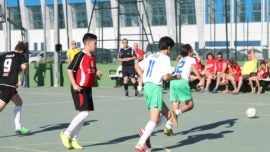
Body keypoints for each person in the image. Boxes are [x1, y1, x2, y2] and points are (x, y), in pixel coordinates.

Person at [134, 36, 179, 152]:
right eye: (171, 49)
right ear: (168, 48)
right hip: (155, 88)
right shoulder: (165, 58)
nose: (171, 51)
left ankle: (146, 131)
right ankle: (140, 145)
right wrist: (175, 77)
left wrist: (142, 77)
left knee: (169, 115)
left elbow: (137, 65)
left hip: (147, 87)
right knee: (154, 119)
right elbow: (165, 77)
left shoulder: (151, 56)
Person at [60, 33, 102, 149]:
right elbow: (69, 70)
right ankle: (67, 133)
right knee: (84, 113)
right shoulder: (80, 55)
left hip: (88, 88)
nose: (96, 45)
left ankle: (73, 139)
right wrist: (74, 84)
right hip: (79, 87)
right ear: (88, 43)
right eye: (95, 43)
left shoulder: (92, 57)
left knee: (85, 114)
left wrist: (97, 72)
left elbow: (91, 69)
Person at [164, 44, 204, 136]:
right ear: (189, 51)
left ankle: (168, 127)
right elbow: (194, 68)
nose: (193, 51)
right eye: (192, 50)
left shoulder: (181, 59)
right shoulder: (191, 59)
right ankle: (174, 114)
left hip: (173, 82)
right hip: (181, 82)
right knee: (190, 105)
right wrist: (200, 79)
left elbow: (183, 69)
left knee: (176, 109)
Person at [0, 41, 31, 135]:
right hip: (9, 85)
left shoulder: (4, 55)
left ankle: (18, 127)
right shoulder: (20, 56)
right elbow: (24, 67)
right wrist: (25, 73)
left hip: (2, 82)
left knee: (19, 102)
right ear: (22, 51)